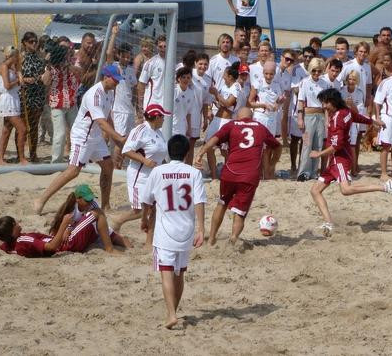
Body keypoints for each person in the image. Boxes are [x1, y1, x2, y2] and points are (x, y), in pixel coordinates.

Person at [34, 64, 126, 215]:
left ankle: (106, 205)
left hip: (95, 135)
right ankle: (41, 199)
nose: (117, 82)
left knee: (108, 165)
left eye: (118, 80)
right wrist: (119, 139)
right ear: (106, 77)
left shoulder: (110, 92)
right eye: (115, 79)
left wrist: (116, 137)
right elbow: (102, 122)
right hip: (82, 136)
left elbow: (108, 117)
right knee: (73, 171)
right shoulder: (94, 94)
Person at [309, 89, 392, 232]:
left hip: (340, 158)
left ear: (333, 102)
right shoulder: (344, 112)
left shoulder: (339, 118)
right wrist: (374, 121)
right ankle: (328, 223)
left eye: (325, 102)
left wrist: (319, 153)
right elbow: (357, 117)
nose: (323, 106)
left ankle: (385, 187)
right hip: (334, 159)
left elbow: (336, 145)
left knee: (346, 190)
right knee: (315, 190)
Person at [141, 135, 206, 329]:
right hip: (186, 230)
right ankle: (174, 310)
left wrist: (144, 219)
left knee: (166, 273)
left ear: (169, 152)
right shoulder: (194, 173)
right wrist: (201, 228)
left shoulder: (158, 171)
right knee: (179, 274)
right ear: (187, 153)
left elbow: (146, 201)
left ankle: (171, 314)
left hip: (164, 231)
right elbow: (199, 202)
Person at [194, 107, 280, 245]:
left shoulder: (232, 125)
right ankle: (233, 239)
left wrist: (200, 153)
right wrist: (272, 164)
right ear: (252, 117)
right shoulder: (260, 127)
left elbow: (213, 139)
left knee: (222, 203)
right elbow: (277, 146)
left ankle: (211, 239)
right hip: (249, 175)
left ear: (238, 116)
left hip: (230, 172)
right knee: (240, 211)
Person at [0, 186, 129, 257]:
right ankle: (110, 249)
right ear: (78, 199)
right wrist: (65, 226)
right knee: (98, 214)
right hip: (68, 244)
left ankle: (118, 245)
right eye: (16, 224)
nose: (18, 223)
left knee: (124, 240)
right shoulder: (23, 241)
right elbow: (51, 246)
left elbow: (2, 244)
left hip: (72, 237)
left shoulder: (12, 243)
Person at [113, 104, 169, 235]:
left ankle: (150, 239)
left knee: (153, 208)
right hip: (140, 176)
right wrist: (144, 160)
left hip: (154, 176)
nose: (164, 119)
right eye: (163, 116)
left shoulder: (159, 133)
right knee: (140, 210)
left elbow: (161, 155)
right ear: (156, 117)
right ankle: (118, 221)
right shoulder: (140, 130)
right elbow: (126, 150)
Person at [41, 42, 81, 163]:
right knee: (60, 133)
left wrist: (68, 66)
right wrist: (48, 65)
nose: (66, 58)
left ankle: (76, 158)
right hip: (57, 104)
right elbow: (45, 82)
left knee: (77, 131)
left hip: (71, 103)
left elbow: (80, 72)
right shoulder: (51, 68)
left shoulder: (71, 65)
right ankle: (56, 161)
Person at [203, 62, 242, 179]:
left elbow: (228, 103)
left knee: (225, 150)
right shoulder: (225, 86)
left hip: (226, 121)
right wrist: (216, 100)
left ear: (230, 76)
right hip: (217, 119)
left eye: (225, 74)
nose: (223, 76)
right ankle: (214, 175)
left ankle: (228, 174)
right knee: (208, 146)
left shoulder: (236, 86)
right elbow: (222, 103)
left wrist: (216, 94)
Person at [105, 27, 136, 168]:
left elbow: (133, 90)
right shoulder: (114, 67)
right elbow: (108, 53)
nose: (126, 58)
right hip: (118, 110)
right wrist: (114, 35)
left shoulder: (131, 70)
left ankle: (118, 165)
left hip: (129, 111)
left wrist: (137, 109)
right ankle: (114, 167)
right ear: (119, 55)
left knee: (127, 141)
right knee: (120, 141)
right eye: (123, 55)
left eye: (128, 56)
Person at [296, 58, 330, 181]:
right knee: (307, 144)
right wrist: (300, 118)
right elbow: (301, 101)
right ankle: (304, 172)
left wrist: (327, 120)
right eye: (314, 70)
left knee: (318, 144)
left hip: (320, 115)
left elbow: (326, 104)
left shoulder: (324, 83)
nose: (316, 73)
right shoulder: (305, 82)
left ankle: (314, 171)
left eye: (319, 71)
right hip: (308, 115)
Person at [248, 61, 284, 179]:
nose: (269, 76)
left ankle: (267, 171)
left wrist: (279, 102)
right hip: (260, 117)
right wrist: (263, 105)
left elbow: (277, 103)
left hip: (272, 118)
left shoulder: (277, 85)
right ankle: (258, 172)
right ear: (263, 73)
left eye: (271, 74)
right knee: (258, 145)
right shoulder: (257, 84)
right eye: (267, 74)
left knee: (268, 146)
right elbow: (250, 102)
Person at [0, 46, 27, 165]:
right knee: (22, 129)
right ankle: (22, 158)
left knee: (6, 130)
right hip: (8, 99)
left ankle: (0, 159)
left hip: (13, 98)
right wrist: (18, 81)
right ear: (13, 56)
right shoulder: (4, 66)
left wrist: (18, 71)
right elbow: (7, 85)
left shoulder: (12, 67)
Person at [19, 32, 46, 162]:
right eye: (30, 41)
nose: (34, 43)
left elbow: (43, 74)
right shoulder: (20, 57)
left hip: (38, 94)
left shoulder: (39, 57)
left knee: (34, 126)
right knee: (23, 127)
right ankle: (21, 155)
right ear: (24, 43)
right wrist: (26, 79)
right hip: (25, 95)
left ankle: (33, 153)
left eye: (35, 41)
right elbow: (17, 75)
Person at [340, 70, 366, 175]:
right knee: (341, 145)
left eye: (353, 79)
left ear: (357, 81)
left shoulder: (359, 92)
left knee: (352, 146)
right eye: (349, 79)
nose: (351, 81)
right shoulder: (341, 91)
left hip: (353, 122)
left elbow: (358, 111)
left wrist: (351, 105)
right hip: (342, 121)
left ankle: (354, 169)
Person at [189, 53, 213, 164]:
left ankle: (188, 166)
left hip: (196, 116)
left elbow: (205, 102)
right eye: (200, 64)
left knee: (192, 142)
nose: (203, 66)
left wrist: (205, 119)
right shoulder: (189, 74)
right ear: (195, 63)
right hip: (183, 113)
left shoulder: (208, 80)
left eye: (205, 64)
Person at [338, 42, 373, 111]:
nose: (362, 54)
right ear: (356, 52)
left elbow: (369, 84)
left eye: (365, 52)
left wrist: (368, 97)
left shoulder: (367, 67)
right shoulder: (348, 65)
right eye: (360, 51)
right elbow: (338, 81)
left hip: (361, 102)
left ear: (368, 53)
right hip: (348, 101)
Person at [137, 35, 166, 109]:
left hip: (166, 104)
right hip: (152, 103)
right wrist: (140, 105)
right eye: (160, 46)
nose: (163, 49)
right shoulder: (151, 63)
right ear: (157, 47)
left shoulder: (172, 63)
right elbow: (141, 84)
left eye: (165, 46)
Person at [172, 67, 193, 140]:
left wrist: (189, 128)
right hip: (170, 126)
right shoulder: (173, 91)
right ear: (178, 79)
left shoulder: (191, 93)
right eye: (183, 77)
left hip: (182, 127)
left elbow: (189, 113)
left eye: (188, 77)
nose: (186, 79)